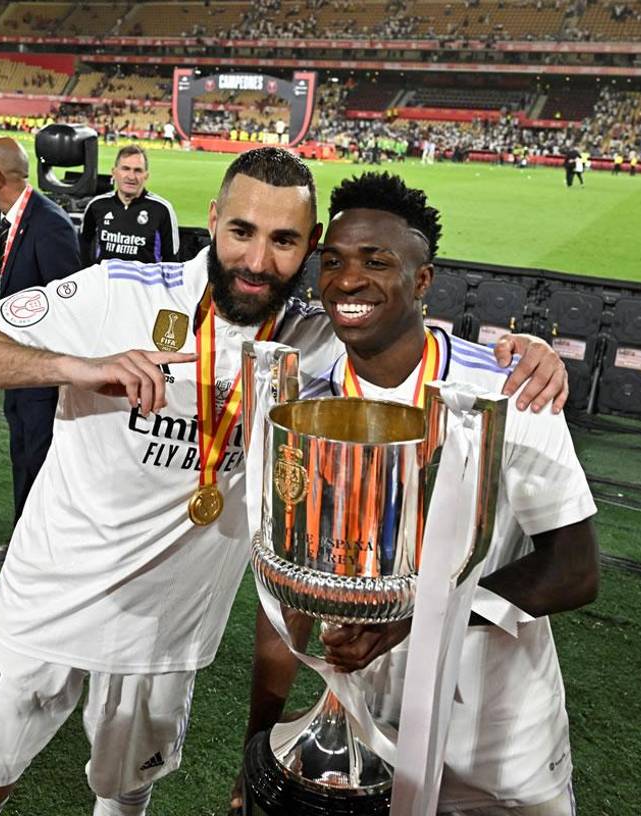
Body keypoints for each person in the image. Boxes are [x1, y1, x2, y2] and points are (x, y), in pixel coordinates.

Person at [0, 147, 569, 816]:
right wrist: (76, 366)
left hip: (171, 630)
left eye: (284, 240)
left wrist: (525, 355)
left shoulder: (316, 340)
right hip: (48, 599)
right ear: (213, 220)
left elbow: (408, 336)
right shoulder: (119, 291)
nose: (258, 260)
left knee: (126, 790)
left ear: (310, 246)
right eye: (242, 232)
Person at [232, 172, 599, 816]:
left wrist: (415, 619)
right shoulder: (306, 403)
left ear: (422, 280)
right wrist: (257, 744)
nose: (348, 280)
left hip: (497, 748)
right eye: (334, 261)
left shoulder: (508, 391)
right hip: (364, 742)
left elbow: (574, 570)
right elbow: (291, 596)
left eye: (377, 262)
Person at [0, 136, 82, 566]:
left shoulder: (49, 224)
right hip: (14, 367)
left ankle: (42, 550)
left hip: (40, 373)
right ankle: (25, 539)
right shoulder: (10, 220)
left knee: (40, 459)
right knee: (23, 453)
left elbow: (68, 307)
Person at [79, 145, 180, 264]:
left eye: (138, 170)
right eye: (125, 169)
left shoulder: (162, 209)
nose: (131, 176)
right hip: (106, 276)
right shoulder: (97, 205)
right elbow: (82, 248)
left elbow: (172, 261)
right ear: (114, 172)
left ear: (146, 176)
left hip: (146, 277)